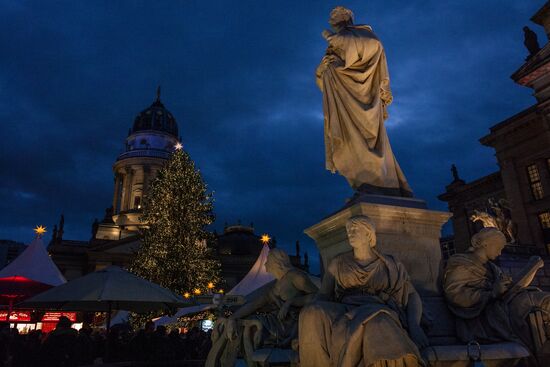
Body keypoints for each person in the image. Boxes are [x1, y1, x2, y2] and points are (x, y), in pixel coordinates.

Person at [299, 215, 428, 367]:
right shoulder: (338, 263)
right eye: (348, 229)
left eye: (355, 229)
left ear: (369, 234)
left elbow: (412, 295)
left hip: (378, 307)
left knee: (378, 323)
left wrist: (414, 325)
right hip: (346, 309)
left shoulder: (389, 264)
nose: (350, 232)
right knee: (310, 313)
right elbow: (323, 295)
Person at [317, 6, 412, 197]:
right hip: (343, 101)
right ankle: (364, 183)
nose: (334, 24)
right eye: (332, 21)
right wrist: (322, 69)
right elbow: (324, 76)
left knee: (368, 141)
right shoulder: (338, 42)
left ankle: (380, 184)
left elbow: (371, 47)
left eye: (336, 19)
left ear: (347, 17)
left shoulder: (364, 35)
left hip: (364, 97)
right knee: (348, 145)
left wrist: (336, 39)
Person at [443, 227, 550, 354]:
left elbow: (509, 288)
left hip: (503, 306)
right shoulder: (460, 262)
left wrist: (529, 271)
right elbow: (455, 295)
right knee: (530, 302)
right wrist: (492, 293)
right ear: (485, 244)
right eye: (498, 247)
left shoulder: (493, 268)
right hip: (482, 316)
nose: (500, 253)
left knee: (541, 299)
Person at [206, 248, 319, 367]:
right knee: (243, 324)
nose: (265, 264)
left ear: (276, 263)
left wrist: (290, 302)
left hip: (289, 325)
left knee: (249, 327)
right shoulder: (275, 286)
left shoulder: (296, 276)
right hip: (276, 323)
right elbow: (254, 304)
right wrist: (233, 317)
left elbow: (318, 296)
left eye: (267, 261)